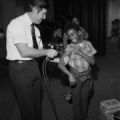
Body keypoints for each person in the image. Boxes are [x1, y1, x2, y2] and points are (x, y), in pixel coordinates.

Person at [6, 0, 58, 120]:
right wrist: (46, 52)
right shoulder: (17, 23)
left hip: (34, 67)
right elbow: (24, 51)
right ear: (35, 10)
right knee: (27, 109)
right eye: (43, 14)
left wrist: (56, 59)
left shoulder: (36, 29)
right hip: (20, 70)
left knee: (37, 106)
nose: (44, 18)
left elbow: (39, 52)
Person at [58, 23, 97, 120]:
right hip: (76, 78)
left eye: (73, 34)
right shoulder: (69, 47)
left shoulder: (88, 44)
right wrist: (69, 75)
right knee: (76, 102)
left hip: (87, 77)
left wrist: (81, 53)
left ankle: (84, 117)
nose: (71, 37)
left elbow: (92, 62)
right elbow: (60, 64)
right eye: (69, 35)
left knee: (84, 100)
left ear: (79, 33)